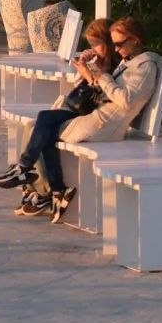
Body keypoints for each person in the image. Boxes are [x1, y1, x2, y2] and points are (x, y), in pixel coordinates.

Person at [0, 16, 159, 224]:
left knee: (45, 126)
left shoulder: (144, 67)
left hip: (104, 125)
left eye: (119, 44)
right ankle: (48, 186)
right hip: (97, 117)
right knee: (43, 124)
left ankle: (38, 180)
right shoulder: (130, 63)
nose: (117, 49)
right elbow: (101, 92)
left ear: (135, 40)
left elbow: (126, 100)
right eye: (114, 44)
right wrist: (89, 72)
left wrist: (100, 75)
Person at [12, 19, 118, 218]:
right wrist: (84, 69)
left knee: (43, 122)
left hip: (91, 117)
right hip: (79, 110)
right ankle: (43, 189)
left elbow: (103, 94)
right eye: (90, 44)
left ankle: (38, 183)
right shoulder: (99, 62)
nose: (93, 48)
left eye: (96, 44)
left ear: (108, 43)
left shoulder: (115, 66)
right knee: (32, 126)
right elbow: (79, 90)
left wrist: (90, 74)